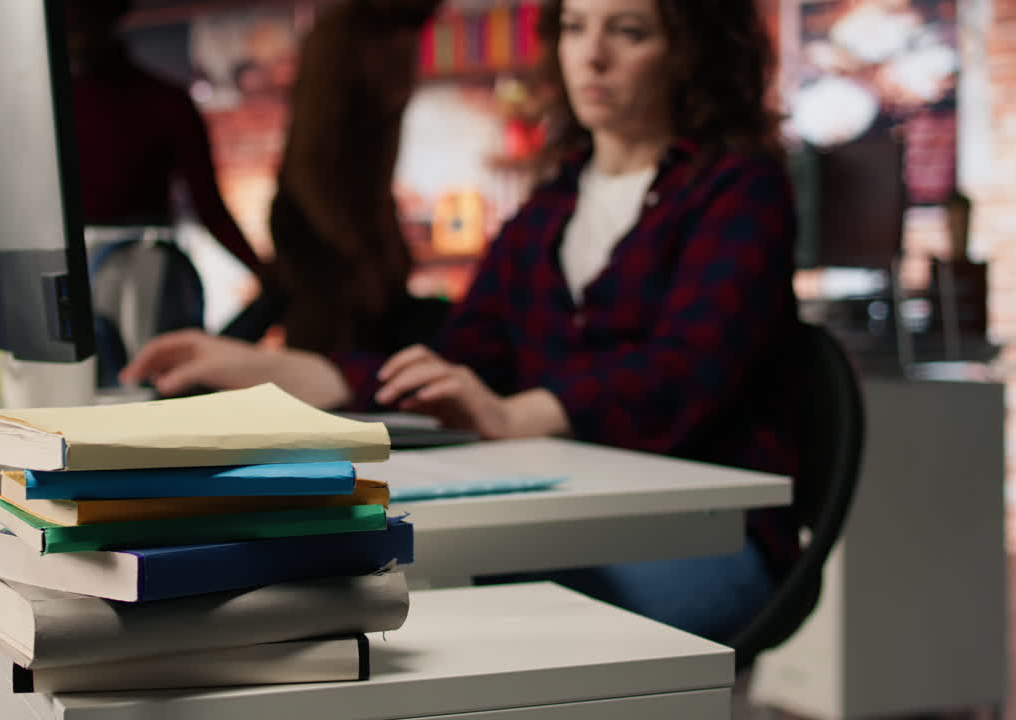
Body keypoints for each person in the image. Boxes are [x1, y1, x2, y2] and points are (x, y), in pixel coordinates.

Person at [122, 0, 801, 643]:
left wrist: (513, 416)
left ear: (690, 50)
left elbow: (681, 371)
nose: (591, 57)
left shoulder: (740, 189)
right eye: (573, 27)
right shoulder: (551, 207)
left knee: (437, 614)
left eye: (628, 31)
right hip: (569, 518)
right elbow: (459, 357)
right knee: (373, 588)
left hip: (703, 536)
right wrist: (281, 372)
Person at [254, 0, 448, 354]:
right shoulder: (337, 39)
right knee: (327, 377)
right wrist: (357, 254)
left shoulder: (397, 37)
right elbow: (308, 167)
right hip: (320, 250)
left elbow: (378, 166)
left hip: (357, 242)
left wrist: (387, 246)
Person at [64, 0, 265, 275]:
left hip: (145, 275)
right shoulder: (44, 109)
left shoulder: (165, 104)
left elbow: (211, 211)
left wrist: (266, 275)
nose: (76, 23)